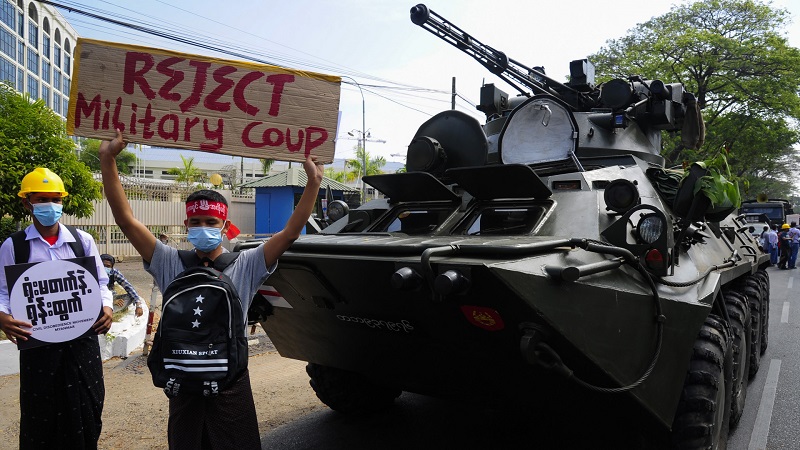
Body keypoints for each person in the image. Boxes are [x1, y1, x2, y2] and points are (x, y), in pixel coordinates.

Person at [99, 129, 323, 450]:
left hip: (230, 384)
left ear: (224, 224)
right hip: (185, 384)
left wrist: (313, 182)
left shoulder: (247, 263)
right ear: (187, 225)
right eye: (197, 221)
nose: (203, 228)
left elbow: (289, 233)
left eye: (211, 222)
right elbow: (126, 220)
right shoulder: (167, 259)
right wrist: (108, 160)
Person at [0, 167, 113, 449]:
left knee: (87, 406)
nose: (50, 206)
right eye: (41, 199)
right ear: (27, 203)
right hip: (38, 347)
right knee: (41, 414)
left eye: (56, 199)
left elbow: (101, 281)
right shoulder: (13, 246)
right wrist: (2, 316)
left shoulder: (82, 241)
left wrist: (108, 306)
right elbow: (3, 291)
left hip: (81, 343)